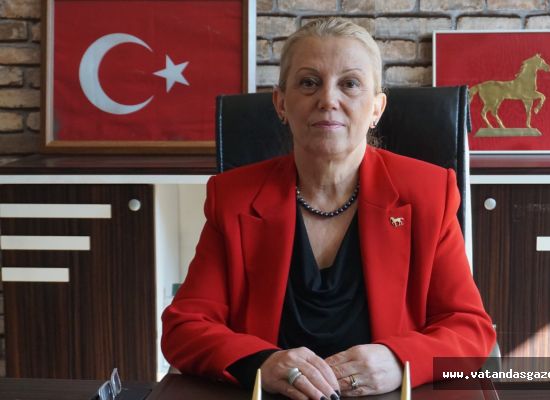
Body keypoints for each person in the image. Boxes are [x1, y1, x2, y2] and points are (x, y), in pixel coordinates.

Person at [161, 17, 495, 400]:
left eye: (349, 84)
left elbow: (470, 330)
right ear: (281, 103)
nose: (328, 100)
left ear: (376, 108)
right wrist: (261, 363)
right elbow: (184, 328)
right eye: (309, 82)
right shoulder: (234, 197)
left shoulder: (428, 193)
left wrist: (399, 359)